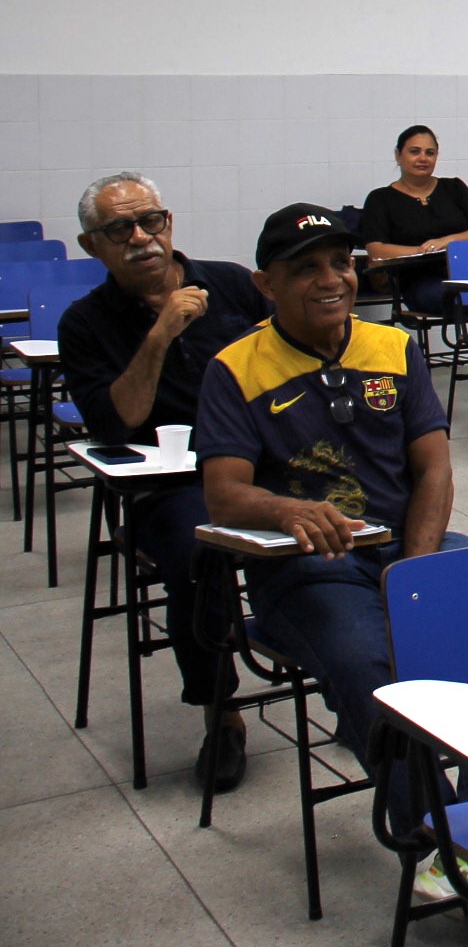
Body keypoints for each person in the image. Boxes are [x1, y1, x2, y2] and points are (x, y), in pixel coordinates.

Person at [195, 203, 468, 869]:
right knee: (366, 664)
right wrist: (285, 511)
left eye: (339, 263)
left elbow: (434, 469)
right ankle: (440, 843)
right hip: (306, 568)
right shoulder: (234, 369)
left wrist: (413, 571)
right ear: (266, 284)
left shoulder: (394, 347)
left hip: (407, 547)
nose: (331, 280)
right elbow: (223, 493)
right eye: (306, 270)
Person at [57, 173, 267, 792]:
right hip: (168, 484)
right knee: (197, 554)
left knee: (356, 517)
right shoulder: (85, 322)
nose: (141, 238)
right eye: (119, 229)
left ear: (168, 222)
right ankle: (221, 711)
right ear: (92, 245)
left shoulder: (230, 283)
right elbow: (116, 420)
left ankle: (339, 671)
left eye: (151, 221)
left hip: (260, 463)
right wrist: (161, 334)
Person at [356, 124, 468, 330]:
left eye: (430, 153)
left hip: (466, 275)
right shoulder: (380, 199)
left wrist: (446, 242)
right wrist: (422, 251)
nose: (423, 158)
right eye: (415, 151)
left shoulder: (454, 188)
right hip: (420, 284)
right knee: (460, 295)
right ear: (398, 155)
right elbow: (376, 250)